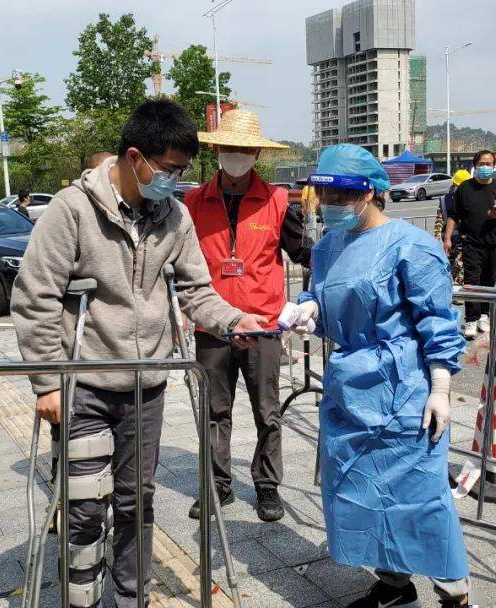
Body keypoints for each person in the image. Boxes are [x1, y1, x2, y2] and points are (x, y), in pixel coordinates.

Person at [11, 99, 268, 608]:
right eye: (169, 170)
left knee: (135, 501)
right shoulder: (72, 210)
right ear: (136, 158)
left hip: (145, 386)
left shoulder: (173, 215)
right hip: (82, 384)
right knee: (85, 505)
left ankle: (132, 598)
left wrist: (233, 320)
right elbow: (35, 294)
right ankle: (81, 596)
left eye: (182, 171)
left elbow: (196, 288)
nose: (175, 181)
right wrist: (45, 381)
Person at [285, 144, 471, 608]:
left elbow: (437, 319)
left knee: (419, 495)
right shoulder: (329, 246)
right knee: (359, 491)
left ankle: (455, 593)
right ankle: (393, 585)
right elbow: (328, 301)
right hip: (351, 389)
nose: (331, 207)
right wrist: (311, 309)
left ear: (370, 193)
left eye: (342, 196)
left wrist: (442, 386)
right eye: (324, 196)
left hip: (404, 387)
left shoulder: (411, 245)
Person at [182, 109, 313, 522]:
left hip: (263, 327)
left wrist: (314, 296)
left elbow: (305, 253)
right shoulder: (192, 202)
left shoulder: (277, 201)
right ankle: (218, 486)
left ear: (256, 152)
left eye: (244, 149)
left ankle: (267, 486)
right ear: (218, 149)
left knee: (267, 411)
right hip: (212, 326)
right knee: (213, 411)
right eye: (229, 148)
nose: (236, 155)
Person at [444, 150, 496, 339]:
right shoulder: (464, 188)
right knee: (472, 282)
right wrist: (447, 239)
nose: (485, 167)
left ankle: (485, 315)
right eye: (482, 163)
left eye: (489, 164)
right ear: (475, 166)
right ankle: (471, 319)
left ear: (493, 166)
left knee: (489, 281)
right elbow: (453, 215)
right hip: (471, 243)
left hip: (493, 242)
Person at [434, 168, 472, 285]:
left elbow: (439, 220)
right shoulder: (446, 200)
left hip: (458, 239)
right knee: (454, 267)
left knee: (458, 266)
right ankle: (456, 291)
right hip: (453, 239)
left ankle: (457, 292)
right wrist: (438, 237)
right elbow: (440, 219)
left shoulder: (446, 199)